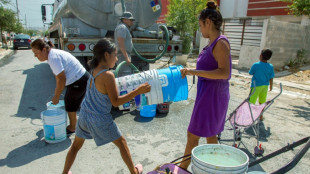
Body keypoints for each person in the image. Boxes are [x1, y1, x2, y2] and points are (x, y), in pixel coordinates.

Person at [62, 39, 150, 174]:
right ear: (106, 55)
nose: (117, 58)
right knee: (122, 143)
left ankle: (65, 172)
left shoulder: (93, 70)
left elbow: (102, 92)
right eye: (115, 55)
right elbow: (116, 102)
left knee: (75, 146)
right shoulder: (108, 75)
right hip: (99, 119)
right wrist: (138, 91)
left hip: (84, 115)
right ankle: (134, 172)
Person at [179, 1, 231, 170]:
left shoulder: (221, 43)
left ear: (208, 22)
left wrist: (194, 72)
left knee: (193, 135)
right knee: (210, 135)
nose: (200, 29)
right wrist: (191, 70)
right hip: (208, 95)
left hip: (212, 97)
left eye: (201, 25)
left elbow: (224, 73)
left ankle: (182, 169)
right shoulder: (211, 43)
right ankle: (215, 168)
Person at [31, 39, 90, 135]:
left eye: (36, 53)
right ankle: (79, 124)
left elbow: (62, 79)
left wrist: (56, 96)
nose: (35, 56)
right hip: (81, 78)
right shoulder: (52, 55)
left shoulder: (53, 57)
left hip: (79, 79)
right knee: (73, 102)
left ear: (44, 50)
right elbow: (58, 76)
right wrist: (57, 91)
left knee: (70, 104)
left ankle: (72, 128)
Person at [249, 49, 274, 120]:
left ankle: (250, 116)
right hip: (265, 86)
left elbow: (250, 73)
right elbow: (271, 77)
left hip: (255, 86)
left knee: (251, 101)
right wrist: (271, 86)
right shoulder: (270, 66)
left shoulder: (256, 65)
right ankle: (261, 116)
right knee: (262, 102)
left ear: (261, 55)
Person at [114, 11, 135, 77]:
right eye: (130, 20)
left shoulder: (123, 28)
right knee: (125, 76)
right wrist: (126, 57)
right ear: (124, 20)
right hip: (122, 56)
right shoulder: (122, 28)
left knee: (125, 75)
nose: (132, 22)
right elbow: (121, 43)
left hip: (123, 55)